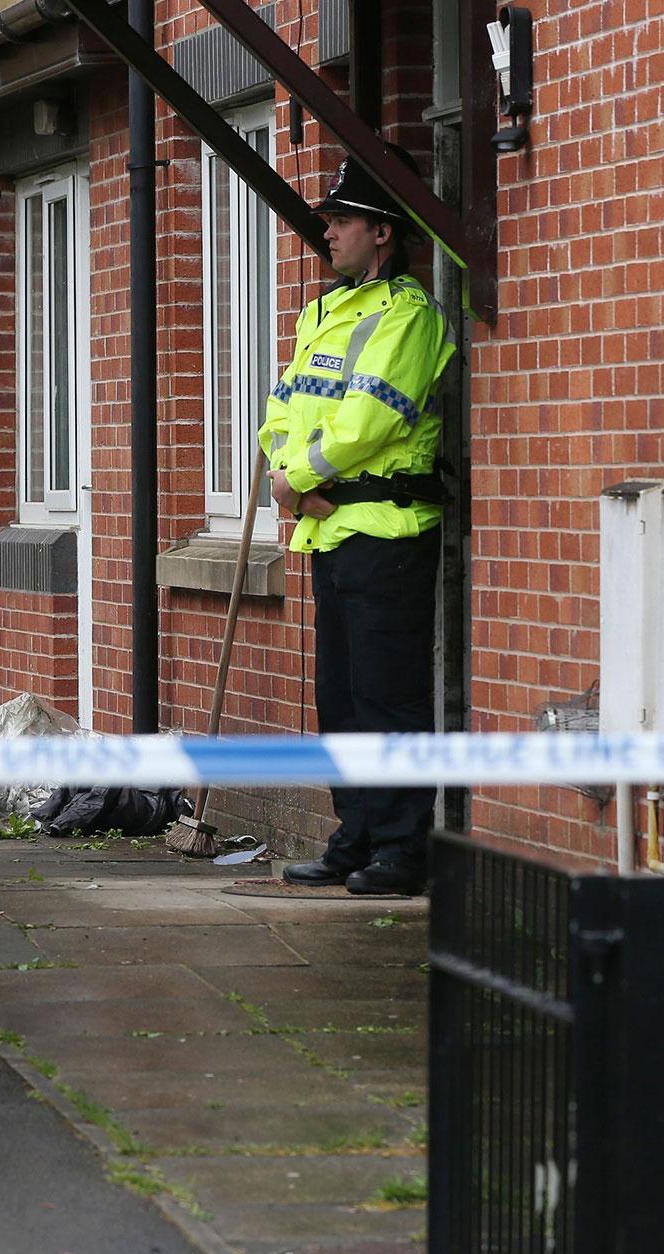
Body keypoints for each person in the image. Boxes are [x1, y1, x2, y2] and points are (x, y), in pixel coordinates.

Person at [262, 144, 457, 898]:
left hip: (386, 530)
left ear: (383, 233)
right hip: (326, 528)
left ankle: (403, 851)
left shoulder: (409, 315)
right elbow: (282, 408)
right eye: (329, 221)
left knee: (390, 698)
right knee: (342, 699)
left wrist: (300, 477)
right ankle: (357, 837)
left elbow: (370, 419)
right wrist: (286, 480)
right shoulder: (322, 311)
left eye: (342, 220)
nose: (329, 233)